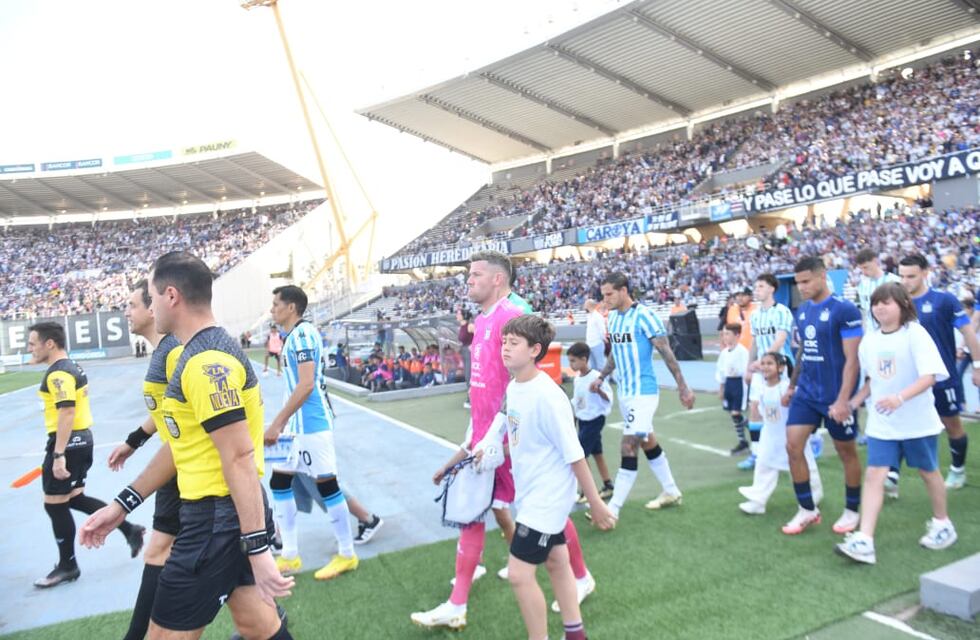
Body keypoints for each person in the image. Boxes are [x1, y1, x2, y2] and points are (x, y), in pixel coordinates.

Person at [79, 251, 294, 639]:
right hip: (222, 517)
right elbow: (183, 448)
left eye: (150, 294)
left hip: (217, 520)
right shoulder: (194, 354)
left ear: (171, 296)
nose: (146, 303)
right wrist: (122, 505)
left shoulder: (205, 361)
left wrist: (258, 547)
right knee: (257, 624)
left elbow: (239, 455)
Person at [412, 250, 596, 630]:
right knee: (477, 511)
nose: (469, 281)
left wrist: (507, 434)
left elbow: (534, 374)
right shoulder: (483, 320)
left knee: (542, 511)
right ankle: (458, 603)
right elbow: (484, 384)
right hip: (485, 433)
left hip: (508, 437)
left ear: (497, 279)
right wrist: (474, 435)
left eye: (475, 275)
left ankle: (579, 577)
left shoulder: (514, 315)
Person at [483, 315, 615, 640]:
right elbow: (510, 423)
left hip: (547, 500)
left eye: (514, 343)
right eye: (504, 342)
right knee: (557, 561)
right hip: (529, 494)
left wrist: (596, 502)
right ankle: (575, 633)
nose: (505, 349)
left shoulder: (549, 396)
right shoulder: (515, 387)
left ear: (535, 350)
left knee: (518, 574)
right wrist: (489, 445)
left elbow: (575, 455)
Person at [836, 283, 957, 564]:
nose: (879, 308)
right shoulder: (870, 340)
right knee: (874, 475)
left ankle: (943, 524)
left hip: (916, 422)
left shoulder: (916, 334)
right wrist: (852, 404)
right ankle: (865, 540)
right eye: (876, 303)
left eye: (886, 303)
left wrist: (899, 398)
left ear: (903, 305)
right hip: (883, 424)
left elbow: (931, 376)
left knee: (928, 472)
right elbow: (871, 381)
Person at [28, 322, 145, 589]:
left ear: (49, 344)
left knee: (54, 504)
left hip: (68, 445)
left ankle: (68, 566)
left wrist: (58, 454)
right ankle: (130, 530)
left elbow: (66, 411)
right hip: (81, 442)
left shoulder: (59, 373)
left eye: (33, 343)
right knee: (75, 499)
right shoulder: (71, 367)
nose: (30, 348)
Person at [263, 285, 359, 581]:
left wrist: (277, 422)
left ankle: (347, 553)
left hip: (311, 424)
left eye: (276, 304)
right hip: (296, 426)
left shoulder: (303, 334)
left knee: (327, 484)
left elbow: (306, 385)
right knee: (279, 481)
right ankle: (290, 554)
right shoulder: (291, 336)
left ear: (291, 307)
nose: (272, 309)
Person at [107, 280, 184, 640]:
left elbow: (184, 419)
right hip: (178, 467)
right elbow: (166, 411)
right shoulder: (162, 352)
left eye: (133, 305)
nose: (127, 312)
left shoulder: (171, 352)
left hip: (184, 469)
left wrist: (125, 500)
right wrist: (134, 441)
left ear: (153, 309)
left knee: (158, 551)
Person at [592, 272, 695, 519]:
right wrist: (601, 376)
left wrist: (683, 387)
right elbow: (616, 354)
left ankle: (612, 509)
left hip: (644, 392)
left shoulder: (645, 315)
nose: (604, 300)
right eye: (603, 295)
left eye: (609, 294)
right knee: (648, 441)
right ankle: (671, 490)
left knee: (629, 445)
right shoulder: (614, 318)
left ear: (624, 290)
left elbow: (667, 353)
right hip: (625, 393)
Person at [781, 256, 864, 536]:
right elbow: (804, 351)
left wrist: (843, 400)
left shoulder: (845, 310)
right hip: (807, 392)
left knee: (846, 452)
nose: (801, 287)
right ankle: (807, 509)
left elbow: (852, 360)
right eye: (798, 283)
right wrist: (792, 385)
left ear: (822, 276)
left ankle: (852, 510)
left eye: (806, 281)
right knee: (793, 446)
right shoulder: (802, 312)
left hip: (835, 395)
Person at [898, 253, 980, 493]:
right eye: (902, 276)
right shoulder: (897, 302)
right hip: (910, 379)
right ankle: (892, 472)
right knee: (903, 422)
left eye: (911, 276)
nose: (906, 281)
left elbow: (968, 333)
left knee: (951, 424)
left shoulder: (944, 300)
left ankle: (957, 470)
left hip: (942, 377)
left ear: (926, 272)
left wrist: (977, 366)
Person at [738, 353, 823, 515]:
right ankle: (758, 501)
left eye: (770, 363)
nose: (765, 367)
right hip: (770, 436)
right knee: (764, 466)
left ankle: (813, 495)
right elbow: (762, 412)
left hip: (790, 436)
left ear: (781, 368)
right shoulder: (761, 388)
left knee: (806, 465)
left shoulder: (787, 388)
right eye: (762, 364)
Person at [744, 273, 798, 472]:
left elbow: (781, 339)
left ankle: (799, 446)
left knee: (784, 410)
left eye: (760, 286)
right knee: (755, 409)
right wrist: (749, 366)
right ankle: (756, 454)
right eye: (756, 286)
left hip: (780, 368)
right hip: (760, 369)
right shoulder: (755, 315)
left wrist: (764, 361)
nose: (756, 290)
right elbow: (755, 342)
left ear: (771, 289)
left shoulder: (782, 311)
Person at [566, 341, 614, 503]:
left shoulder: (596, 377)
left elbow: (609, 398)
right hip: (584, 421)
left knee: (580, 456)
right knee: (597, 454)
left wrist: (598, 390)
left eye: (573, 361)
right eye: (570, 361)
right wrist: (573, 420)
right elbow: (577, 402)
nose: (571, 364)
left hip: (595, 420)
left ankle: (587, 491)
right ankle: (608, 485)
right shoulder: (577, 379)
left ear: (584, 359)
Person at [716, 323, 749, 457]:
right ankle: (743, 441)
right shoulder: (724, 353)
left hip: (739, 384)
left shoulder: (742, 351)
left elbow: (746, 370)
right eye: (724, 334)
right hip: (729, 384)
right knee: (733, 415)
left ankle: (755, 430)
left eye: (728, 334)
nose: (725, 337)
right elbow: (721, 371)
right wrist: (721, 389)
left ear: (737, 335)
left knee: (736, 413)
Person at [584, 299, 607, 372]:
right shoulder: (589, 316)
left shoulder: (597, 316)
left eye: (585, 304)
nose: (584, 305)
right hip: (590, 343)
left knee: (601, 365)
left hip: (597, 343)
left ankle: (605, 380)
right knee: (593, 366)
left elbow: (602, 330)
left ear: (589, 305)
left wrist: (603, 339)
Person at [458, 308, 475, 408]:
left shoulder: (470, 326)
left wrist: (473, 345)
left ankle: (471, 399)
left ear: (463, 315)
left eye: (458, 313)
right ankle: (470, 398)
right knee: (467, 376)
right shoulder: (461, 326)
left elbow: (480, 335)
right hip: (464, 352)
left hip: (470, 352)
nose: (457, 315)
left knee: (470, 376)